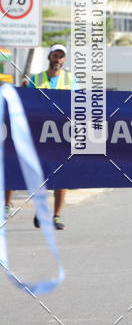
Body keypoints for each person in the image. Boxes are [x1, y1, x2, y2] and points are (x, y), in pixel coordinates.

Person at [4, 44, 78, 230]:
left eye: (61, 56)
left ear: (64, 60)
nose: (58, 59)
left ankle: (56, 216)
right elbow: (26, 105)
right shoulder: (36, 79)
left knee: (61, 177)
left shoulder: (71, 79)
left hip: (62, 135)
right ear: (49, 57)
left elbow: (79, 104)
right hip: (39, 134)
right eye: (55, 55)